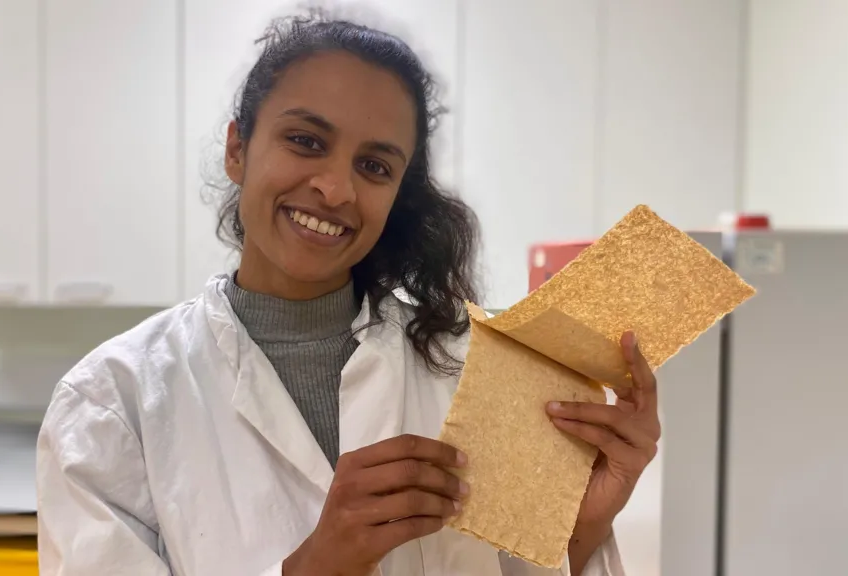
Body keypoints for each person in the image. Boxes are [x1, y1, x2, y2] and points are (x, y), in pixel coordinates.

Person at [36, 12, 658, 576]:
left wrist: (585, 525)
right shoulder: (114, 404)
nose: (335, 189)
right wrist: (316, 566)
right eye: (305, 140)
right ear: (237, 149)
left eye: (375, 166)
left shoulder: (474, 370)